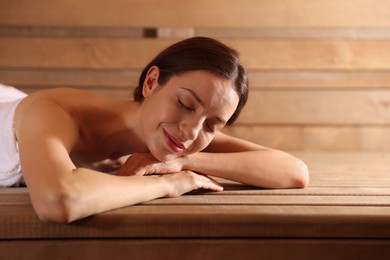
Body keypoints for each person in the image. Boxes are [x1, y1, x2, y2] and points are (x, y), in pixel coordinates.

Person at [0, 37, 309, 223]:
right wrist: (172, 184)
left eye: (212, 125)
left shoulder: (183, 134)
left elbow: (294, 172)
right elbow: (59, 201)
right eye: (186, 104)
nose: (190, 132)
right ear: (151, 82)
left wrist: (183, 161)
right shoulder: (54, 111)